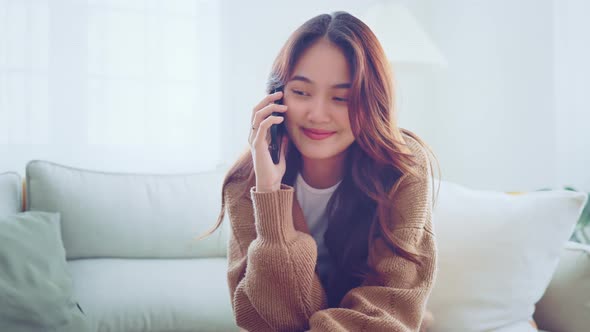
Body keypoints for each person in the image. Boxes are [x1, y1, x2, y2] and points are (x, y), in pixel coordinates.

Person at [204, 10, 439, 332]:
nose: (317, 114)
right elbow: (261, 318)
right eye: (301, 92)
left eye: (342, 97)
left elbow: (390, 307)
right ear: (276, 95)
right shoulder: (247, 181)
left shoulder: (403, 167)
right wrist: (270, 200)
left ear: (372, 102)